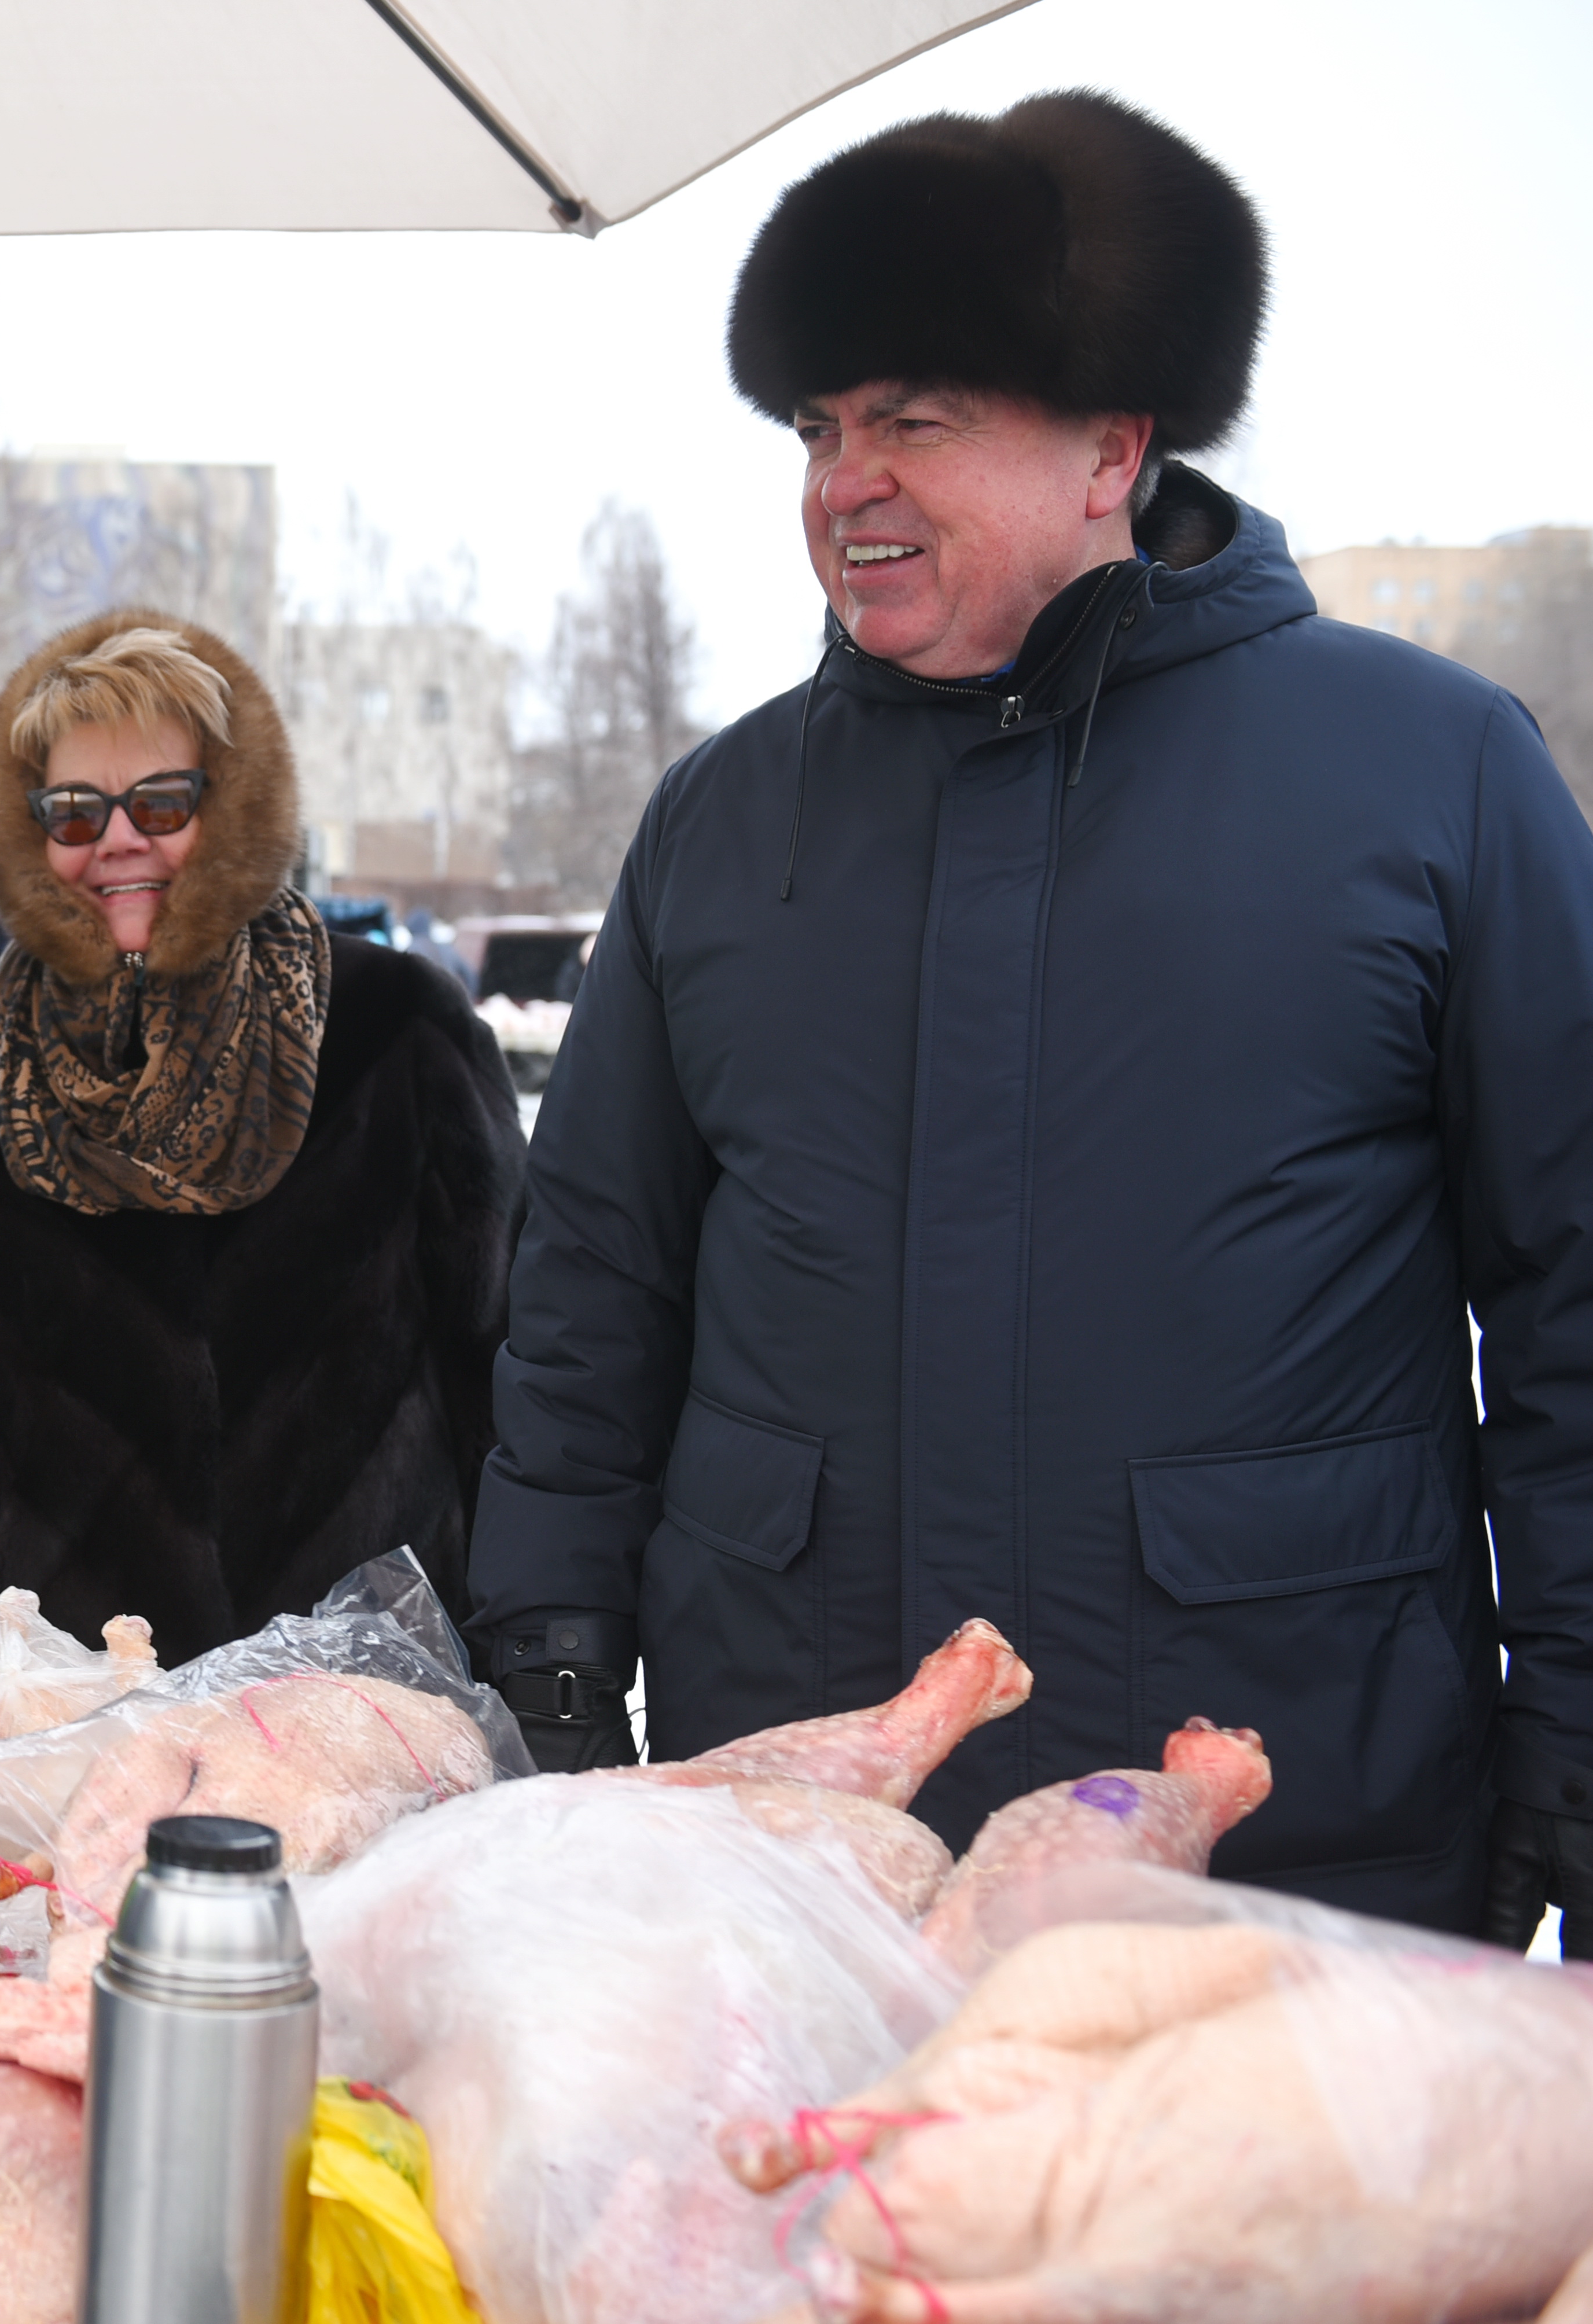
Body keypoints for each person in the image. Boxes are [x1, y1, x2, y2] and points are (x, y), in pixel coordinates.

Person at [468, 93, 1593, 1946]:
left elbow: (1570, 1294)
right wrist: (552, 1638)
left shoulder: (1433, 774)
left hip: (1269, 1833)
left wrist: (1578, 1717)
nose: (845, 483)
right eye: (819, 429)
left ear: (1112, 448)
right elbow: (595, 1287)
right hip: (808, 1835)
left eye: (915, 420)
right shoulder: (724, 818)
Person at [0, 614, 526, 1657]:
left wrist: (494, 1642)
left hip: (369, 1696)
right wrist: (9, 1625)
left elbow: (510, 1367)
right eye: (74, 812)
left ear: (235, 809)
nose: (118, 839)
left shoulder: (398, 1033)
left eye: (162, 802)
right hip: (71, 1708)